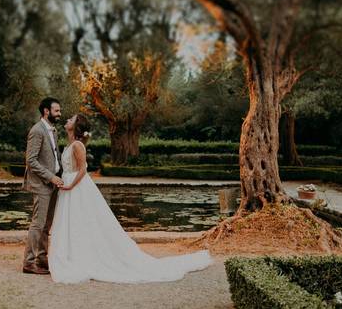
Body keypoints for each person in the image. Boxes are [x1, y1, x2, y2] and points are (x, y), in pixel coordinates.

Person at [48, 113, 212, 284]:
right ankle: (74, 255)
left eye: (71, 119)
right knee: (74, 223)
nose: (67, 120)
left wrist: (70, 185)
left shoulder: (77, 146)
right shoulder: (70, 144)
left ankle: (83, 257)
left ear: (76, 126)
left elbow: (83, 170)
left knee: (83, 221)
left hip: (76, 188)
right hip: (68, 187)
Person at [21, 97, 63, 274]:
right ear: (46, 111)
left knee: (47, 224)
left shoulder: (53, 130)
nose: (60, 114)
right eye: (57, 111)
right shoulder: (37, 130)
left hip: (53, 184)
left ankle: (42, 259)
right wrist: (51, 177)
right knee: (38, 224)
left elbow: (54, 156)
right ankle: (28, 262)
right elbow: (31, 161)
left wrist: (61, 174)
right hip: (41, 184)